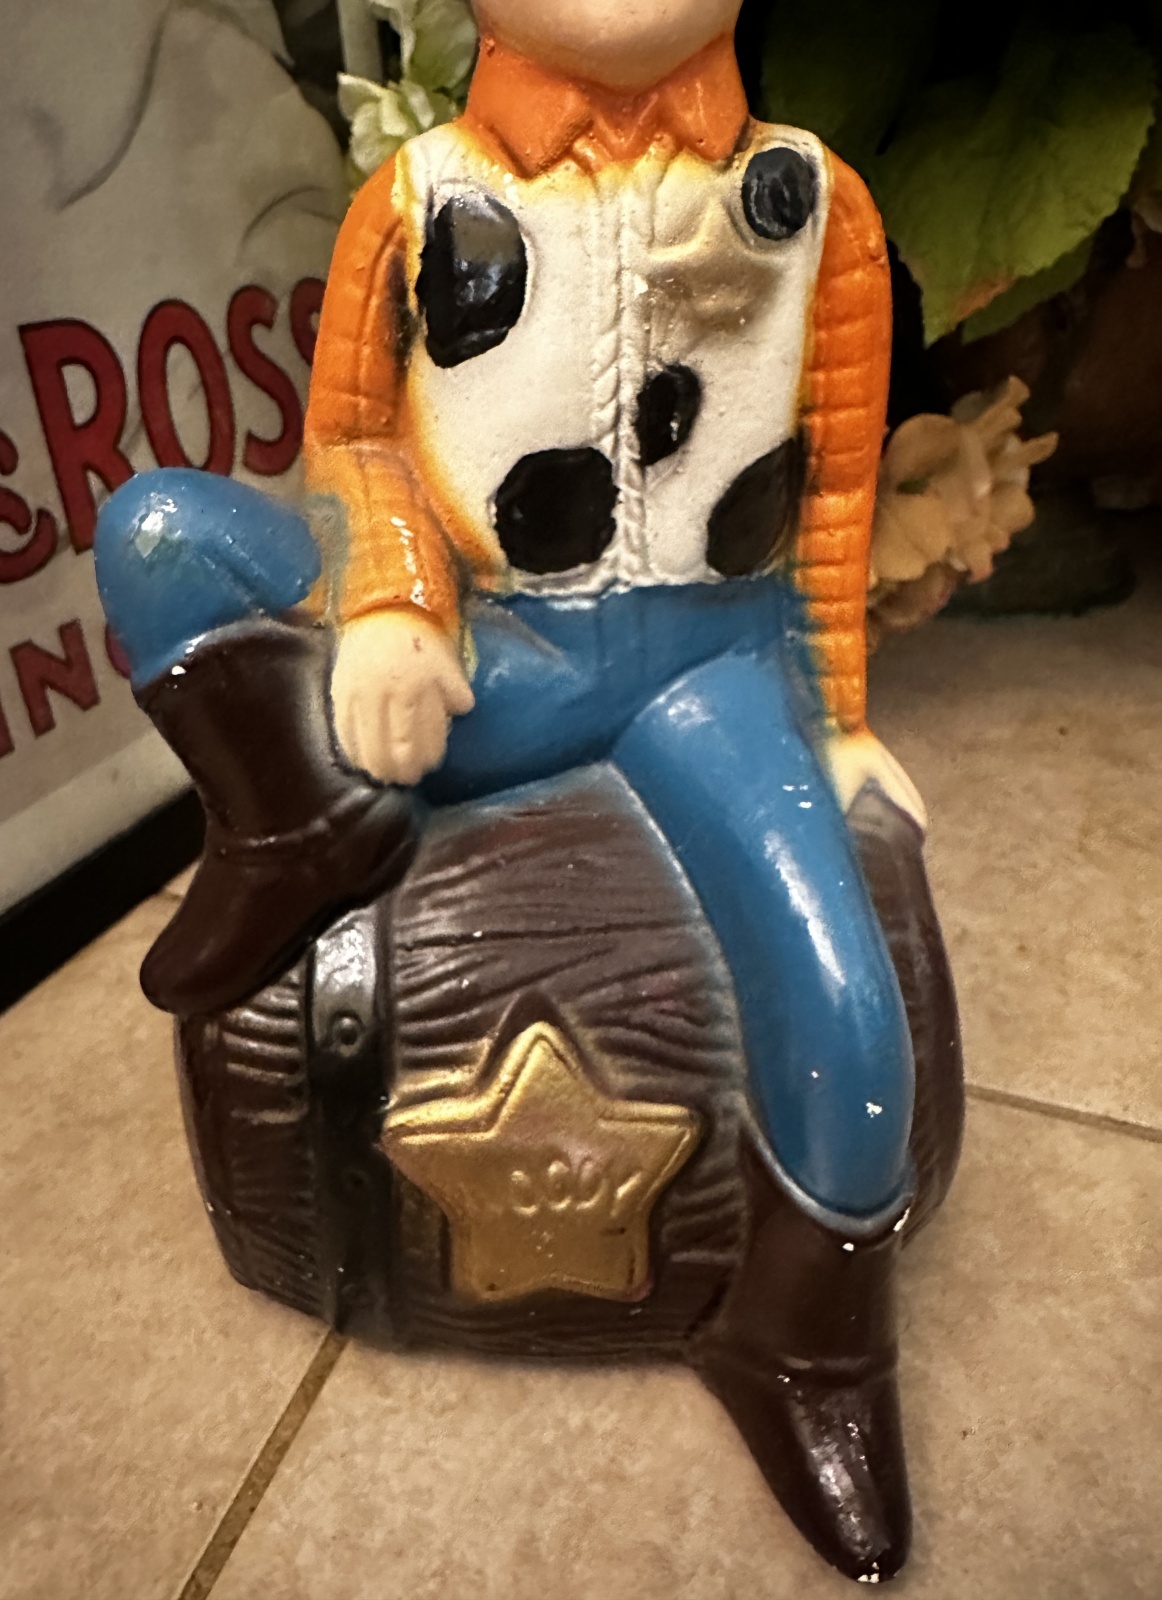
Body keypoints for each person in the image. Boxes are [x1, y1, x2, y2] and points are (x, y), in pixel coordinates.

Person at [97, 0, 929, 1578]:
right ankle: (299, 820)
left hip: (709, 666)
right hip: (496, 647)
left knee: (846, 1008)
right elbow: (349, 441)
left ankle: (802, 1344)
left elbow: (836, 475)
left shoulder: (814, 199)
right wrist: (399, 598)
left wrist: (835, 713)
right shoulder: (414, 199)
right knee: (156, 534)